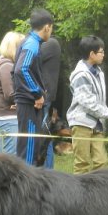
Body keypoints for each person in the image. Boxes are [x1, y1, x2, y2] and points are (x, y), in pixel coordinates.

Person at [66, 35, 108, 175]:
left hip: (97, 123)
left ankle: (100, 194)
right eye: (101, 52)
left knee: (102, 162)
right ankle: (79, 195)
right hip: (82, 123)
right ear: (92, 54)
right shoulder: (80, 74)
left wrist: (105, 114)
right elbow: (86, 102)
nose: (103, 55)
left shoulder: (99, 72)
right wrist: (107, 114)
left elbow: (99, 100)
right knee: (83, 163)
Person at [13, 8, 53, 166]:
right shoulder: (32, 44)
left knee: (30, 148)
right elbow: (21, 69)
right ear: (47, 27)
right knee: (29, 151)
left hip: (27, 103)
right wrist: (36, 94)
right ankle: (25, 188)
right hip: (29, 105)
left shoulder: (28, 41)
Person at [0, 31, 24, 155]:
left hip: (6, 115)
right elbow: (10, 94)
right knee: (10, 155)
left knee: (3, 153)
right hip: (8, 116)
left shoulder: (7, 65)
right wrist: (24, 102)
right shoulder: (7, 67)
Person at [39, 34, 62, 168]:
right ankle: (47, 169)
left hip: (42, 97)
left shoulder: (50, 43)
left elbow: (30, 60)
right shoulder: (49, 44)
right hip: (43, 96)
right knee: (43, 136)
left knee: (43, 137)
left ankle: (47, 171)